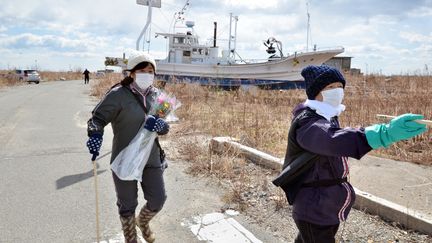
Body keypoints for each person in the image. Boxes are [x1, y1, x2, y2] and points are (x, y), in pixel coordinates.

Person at [279, 65, 427, 243]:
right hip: (314, 208)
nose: (337, 91)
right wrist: (382, 134)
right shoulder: (308, 123)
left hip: (322, 204)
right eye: (330, 87)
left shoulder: (326, 115)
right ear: (315, 92)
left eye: (339, 86)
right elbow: (332, 140)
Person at [86, 51, 170, 243]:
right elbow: (96, 119)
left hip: (151, 158)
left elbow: (165, 126)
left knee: (158, 199)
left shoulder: (159, 97)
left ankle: (143, 222)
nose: (147, 74)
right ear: (131, 73)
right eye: (142, 70)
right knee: (127, 205)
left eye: (151, 71)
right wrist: (95, 134)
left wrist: (163, 127)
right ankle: (130, 238)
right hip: (124, 159)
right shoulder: (118, 95)